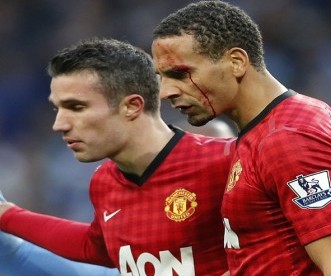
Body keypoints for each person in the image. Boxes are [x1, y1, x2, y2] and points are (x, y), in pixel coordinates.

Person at [151, 1, 331, 275]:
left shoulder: (287, 139)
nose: (166, 92)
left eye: (180, 74)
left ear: (236, 62)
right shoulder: (304, 114)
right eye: (161, 77)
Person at [0, 37, 233, 275]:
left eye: (77, 107)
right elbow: (95, 247)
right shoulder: (105, 181)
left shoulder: (225, 163)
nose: (59, 124)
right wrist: (6, 214)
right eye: (57, 108)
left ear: (131, 106)